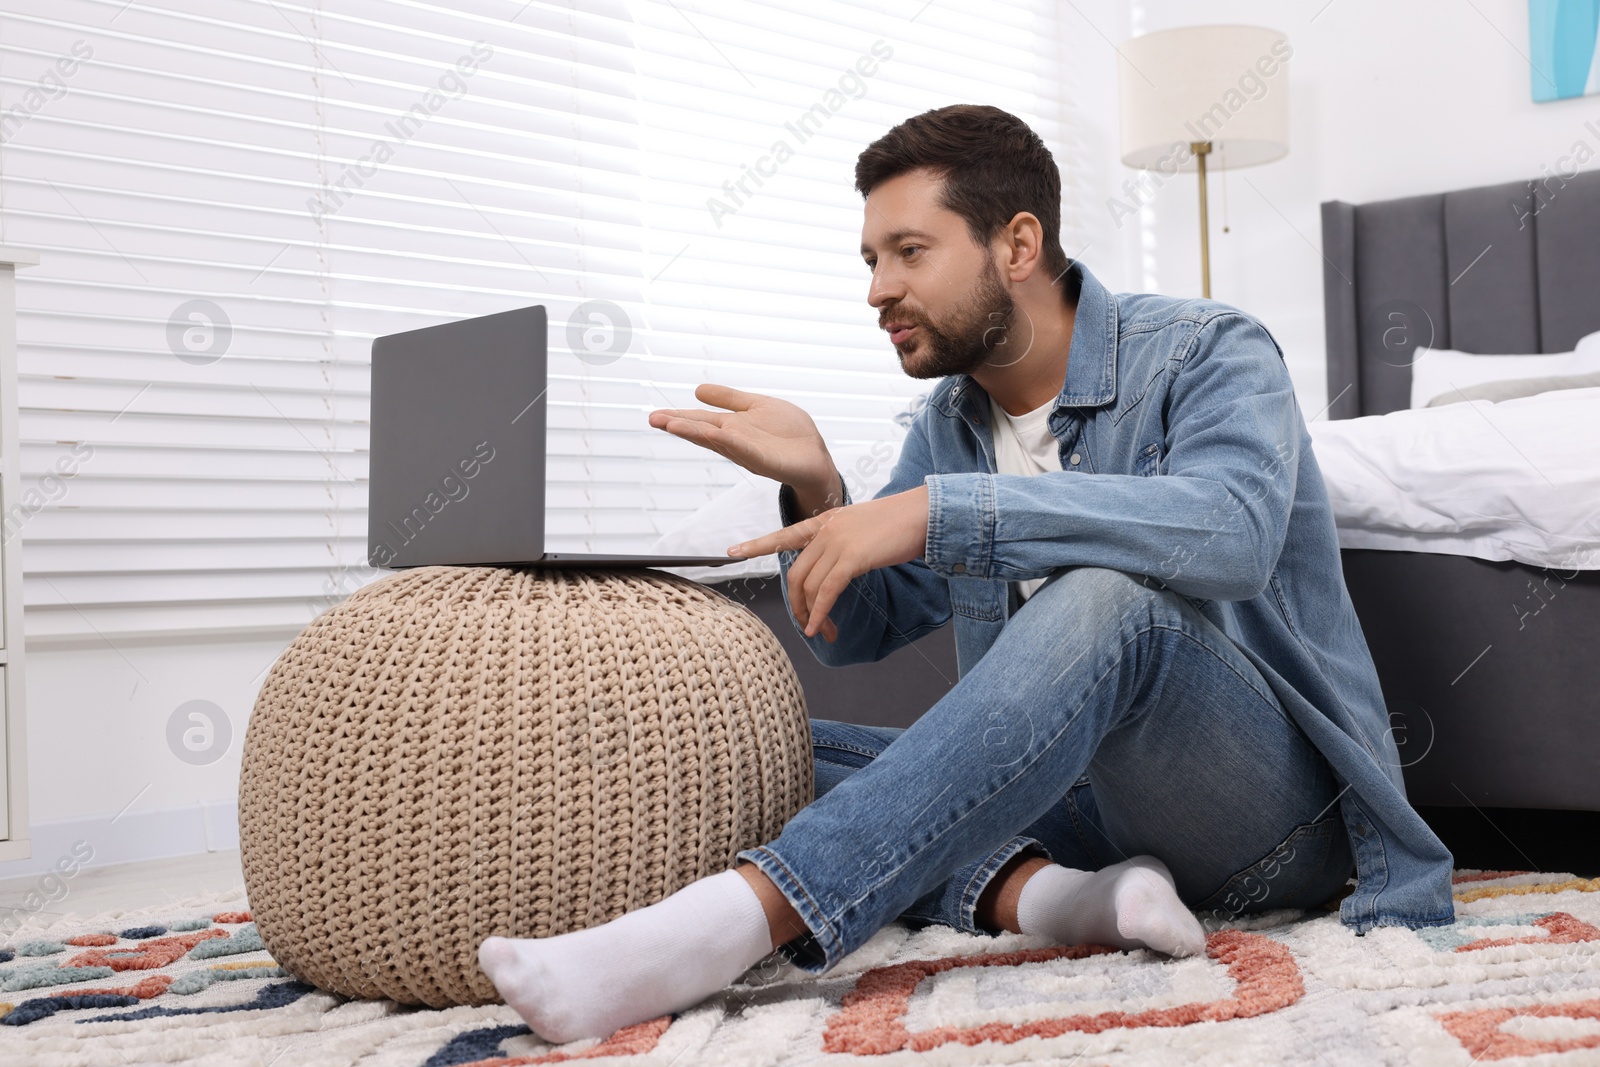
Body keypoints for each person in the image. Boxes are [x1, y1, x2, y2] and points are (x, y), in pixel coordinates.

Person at [477, 103, 1456, 1044]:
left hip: (1270, 818)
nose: (876, 290)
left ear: (1017, 246)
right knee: (751, 737)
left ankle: (730, 922)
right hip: (1081, 811)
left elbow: (1234, 531)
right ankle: (1061, 895)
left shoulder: (1208, 350)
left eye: (909, 252)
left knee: (1103, 595)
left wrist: (943, 510)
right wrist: (820, 485)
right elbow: (861, 631)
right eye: (869, 260)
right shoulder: (951, 422)